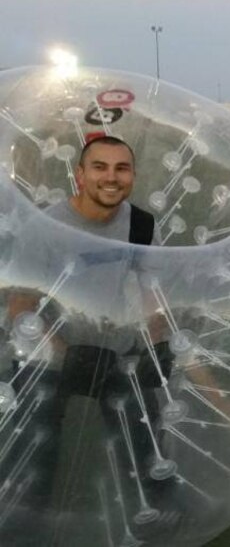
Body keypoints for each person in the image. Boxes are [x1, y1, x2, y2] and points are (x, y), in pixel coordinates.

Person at [2, 136, 173, 541]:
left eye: (121, 168)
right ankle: (25, 525)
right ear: (80, 174)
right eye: (99, 167)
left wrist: (156, 341)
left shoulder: (141, 225)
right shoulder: (45, 226)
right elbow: (20, 305)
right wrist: (61, 353)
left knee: (144, 432)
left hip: (109, 346)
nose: (110, 178)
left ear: (132, 175)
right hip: (47, 350)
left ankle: (160, 511)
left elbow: (153, 295)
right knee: (35, 449)